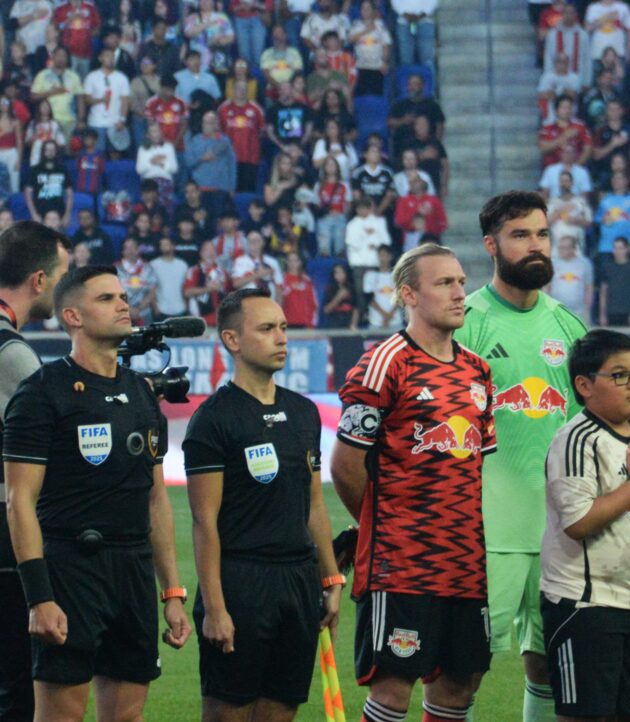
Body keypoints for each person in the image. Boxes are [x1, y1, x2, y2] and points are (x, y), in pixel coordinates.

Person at [3, 265, 191, 722]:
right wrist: (39, 598)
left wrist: (172, 591)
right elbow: (19, 500)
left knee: (125, 718)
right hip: (70, 569)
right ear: (72, 316)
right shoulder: (41, 393)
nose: (124, 305)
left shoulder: (143, 394)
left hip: (132, 571)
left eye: (123, 296)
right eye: (106, 299)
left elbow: (156, 499)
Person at [331, 243, 496, 722]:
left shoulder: (477, 371)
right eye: (444, 283)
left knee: (458, 688)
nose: (460, 292)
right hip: (401, 563)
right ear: (409, 294)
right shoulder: (384, 364)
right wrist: (386, 525)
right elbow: (345, 465)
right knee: (392, 692)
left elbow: (473, 467)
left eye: (462, 281)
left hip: (464, 560)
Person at [451, 191, 587, 722]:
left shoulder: (569, 327)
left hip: (558, 530)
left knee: (550, 666)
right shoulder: (468, 322)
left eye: (542, 234)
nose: (536, 246)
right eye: (520, 235)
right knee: (463, 670)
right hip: (487, 532)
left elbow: (581, 431)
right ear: (491, 245)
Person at [183, 287, 340, 721]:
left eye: (284, 328)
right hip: (241, 584)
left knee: (279, 712)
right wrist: (215, 608)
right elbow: (203, 522)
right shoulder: (213, 419)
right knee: (228, 712)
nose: (282, 338)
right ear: (232, 340)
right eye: (267, 328)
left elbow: (314, 506)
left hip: (296, 582)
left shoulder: (304, 412)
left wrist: (330, 578)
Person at [541, 330, 630, 721]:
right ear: (584, 385)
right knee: (585, 716)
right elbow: (578, 522)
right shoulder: (577, 439)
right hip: (585, 603)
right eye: (618, 374)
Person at [0, 222, 70, 722]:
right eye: (64, 275)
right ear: (40, 281)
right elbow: (61, 441)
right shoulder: (12, 353)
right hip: (7, 538)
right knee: (18, 692)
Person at [546, 225, 593, 323]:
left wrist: (587, 309)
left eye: (564, 248)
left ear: (573, 248)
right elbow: (546, 288)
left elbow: (589, 287)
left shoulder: (585, 264)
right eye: (560, 247)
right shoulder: (552, 264)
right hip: (557, 311)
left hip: (579, 312)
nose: (561, 250)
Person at [598, 237, 630, 326]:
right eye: (615, 248)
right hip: (611, 313)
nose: (617, 251)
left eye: (620, 248)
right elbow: (603, 292)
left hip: (628, 312)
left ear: (627, 249)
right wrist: (602, 315)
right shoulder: (607, 267)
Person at [184, 239, 230, 326]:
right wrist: (208, 289)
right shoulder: (194, 271)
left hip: (221, 322)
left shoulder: (223, 272)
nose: (210, 253)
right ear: (201, 253)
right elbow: (187, 292)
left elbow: (230, 293)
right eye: (207, 250)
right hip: (200, 322)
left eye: (213, 250)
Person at [149, 236, 189, 320]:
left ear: (173, 246)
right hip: (161, 310)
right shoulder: (153, 265)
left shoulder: (182, 265)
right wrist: (155, 308)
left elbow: (186, 287)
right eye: (162, 245)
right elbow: (151, 289)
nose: (165, 247)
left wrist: (186, 305)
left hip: (180, 309)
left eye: (167, 244)